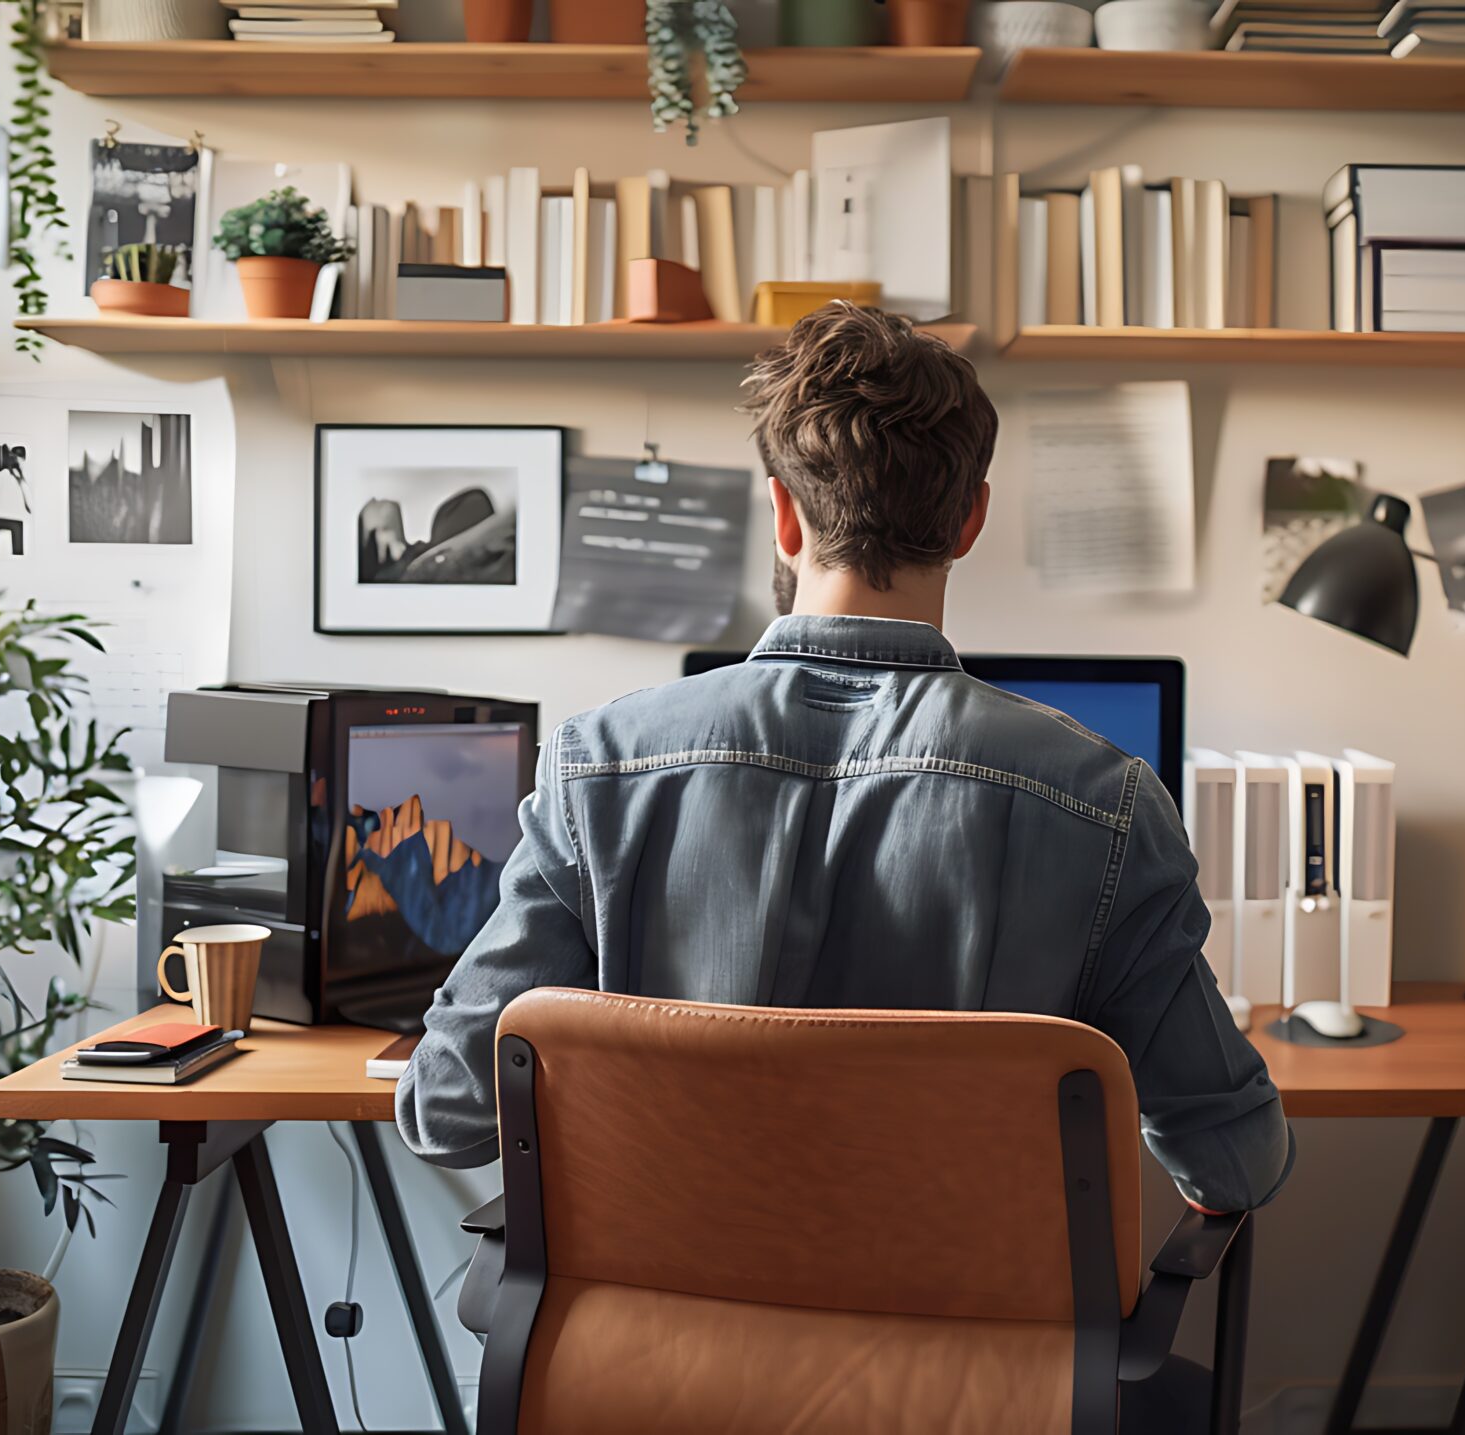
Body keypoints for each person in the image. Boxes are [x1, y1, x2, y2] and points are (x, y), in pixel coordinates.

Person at [399, 303, 1290, 1413]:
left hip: (651, 1387)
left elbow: (445, 1110)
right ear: (969, 521)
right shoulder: (1104, 802)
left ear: (781, 514)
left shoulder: (597, 767)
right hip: (975, 1397)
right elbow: (1238, 1163)